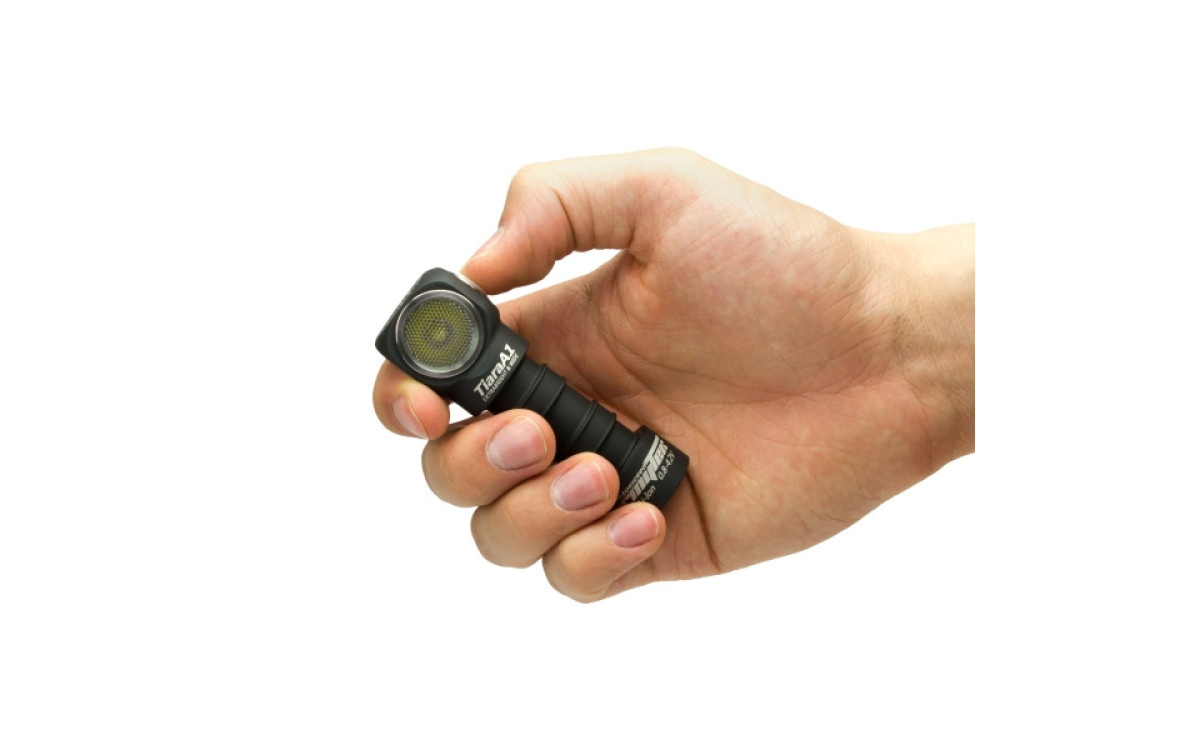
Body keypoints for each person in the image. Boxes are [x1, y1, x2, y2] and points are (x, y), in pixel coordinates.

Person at [372, 148, 975, 602]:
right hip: (637, 457)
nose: (439, 335)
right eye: (433, 337)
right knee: (524, 461)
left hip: (637, 452)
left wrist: (890, 330)